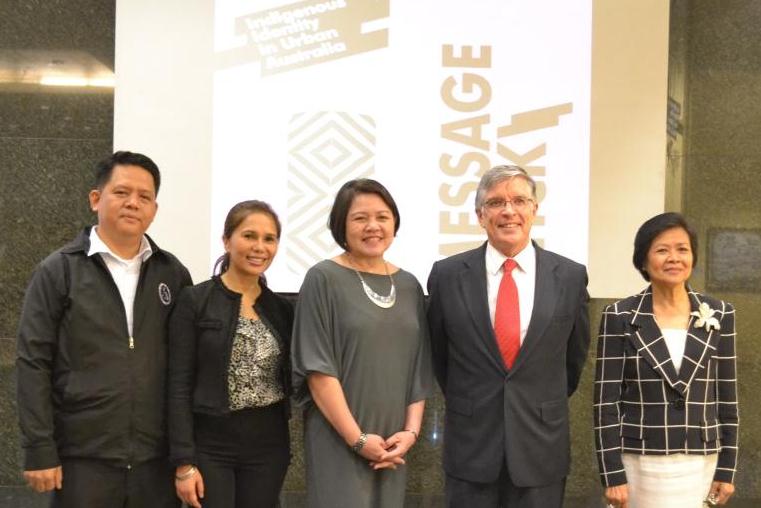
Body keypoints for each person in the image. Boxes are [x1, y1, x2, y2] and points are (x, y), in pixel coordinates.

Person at [16, 151, 192, 507]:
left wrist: (184, 455)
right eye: (122, 192)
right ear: (96, 198)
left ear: (154, 210)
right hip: (83, 456)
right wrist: (39, 447)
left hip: (154, 459)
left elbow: (183, 369)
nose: (133, 203)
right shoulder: (59, 271)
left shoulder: (172, 274)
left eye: (145, 197)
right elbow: (33, 361)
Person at [427, 164, 590, 508]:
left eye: (519, 200)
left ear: (534, 209)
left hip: (540, 446)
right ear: (480, 214)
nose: (508, 211)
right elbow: (440, 357)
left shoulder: (570, 277)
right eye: (496, 202)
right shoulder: (447, 275)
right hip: (471, 447)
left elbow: (572, 362)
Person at [291, 178, 433, 508]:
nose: (373, 226)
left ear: (394, 222)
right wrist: (357, 439)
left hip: (393, 444)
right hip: (338, 438)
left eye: (382, 217)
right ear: (342, 224)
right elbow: (317, 369)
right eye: (360, 218)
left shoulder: (409, 284)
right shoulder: (322, 278)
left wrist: (409, 435)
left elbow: (419, 368)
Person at [593, 212, 738, 508]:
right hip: (639, 464)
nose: (674, 258)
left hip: (702, 463)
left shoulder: (720, 313)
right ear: (643, 261)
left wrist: (727, 468)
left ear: (693, 257)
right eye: (662, 250)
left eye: (682, 249)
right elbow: (605, 404)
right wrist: (612, 474)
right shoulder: (620, 316)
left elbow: (728, 400)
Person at [168, 200, 293, 508]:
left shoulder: (281, 309)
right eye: (249, 236)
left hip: (269, 445)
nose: (259, 247)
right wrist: (183, 461)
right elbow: (178, 385)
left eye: (269, 239)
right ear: (226, 240)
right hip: (211, 445)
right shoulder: (195, 300)